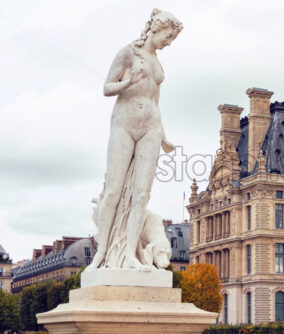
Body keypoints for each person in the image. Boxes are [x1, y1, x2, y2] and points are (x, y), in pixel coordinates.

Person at [87, 9, 183, 271]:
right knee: (114, 191)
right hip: (124, 123)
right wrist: (129, 81)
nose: (168, 42)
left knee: (141, 194)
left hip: (151, 126)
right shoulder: (129, 52)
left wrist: (163, 135)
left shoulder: (158, 63)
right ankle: (103, 253)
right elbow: (107, 87)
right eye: (168, 36)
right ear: (156, 28)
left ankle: (130, 253)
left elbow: (155, 100)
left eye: (172, 39)